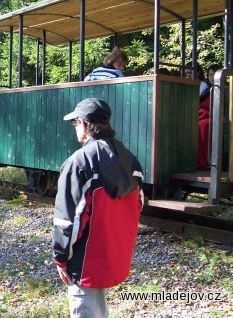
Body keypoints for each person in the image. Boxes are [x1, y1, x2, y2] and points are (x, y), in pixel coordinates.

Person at [52, 98, 143, 318]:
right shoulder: (130, 160)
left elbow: (68, 220)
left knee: (85, 307)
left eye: (75, 123)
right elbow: (137, 205)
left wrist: (61, 258)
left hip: (84, 261)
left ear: (83, 124)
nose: (75, 128)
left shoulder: (79, 163)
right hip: (112, 254)